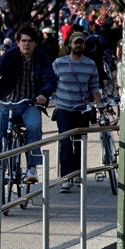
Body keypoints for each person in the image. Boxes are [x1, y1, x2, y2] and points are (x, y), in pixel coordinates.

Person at [0, 25, 57, 183]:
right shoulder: (10, 55)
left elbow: (50, 79)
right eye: (23, 41)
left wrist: (43, 94)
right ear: (18, 42)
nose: (26, 44)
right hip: (6, 103)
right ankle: (0, 167)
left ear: (35, 43)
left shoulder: (42, 57)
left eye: (30, 41)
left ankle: (32, 167)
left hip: (30, 103)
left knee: (34, 127)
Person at [52, 32, 102, 193]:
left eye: (81, 43)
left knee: (80, 144)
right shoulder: (59, 63)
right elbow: (50, 83)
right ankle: (66, 178)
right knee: (66, 143)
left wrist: (98, 104)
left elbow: (94, 87)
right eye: (76, 43)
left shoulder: (90, 64)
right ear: (70, 45)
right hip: (63, 109)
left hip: (82, 109)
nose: (78, 46)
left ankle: (77, 172)